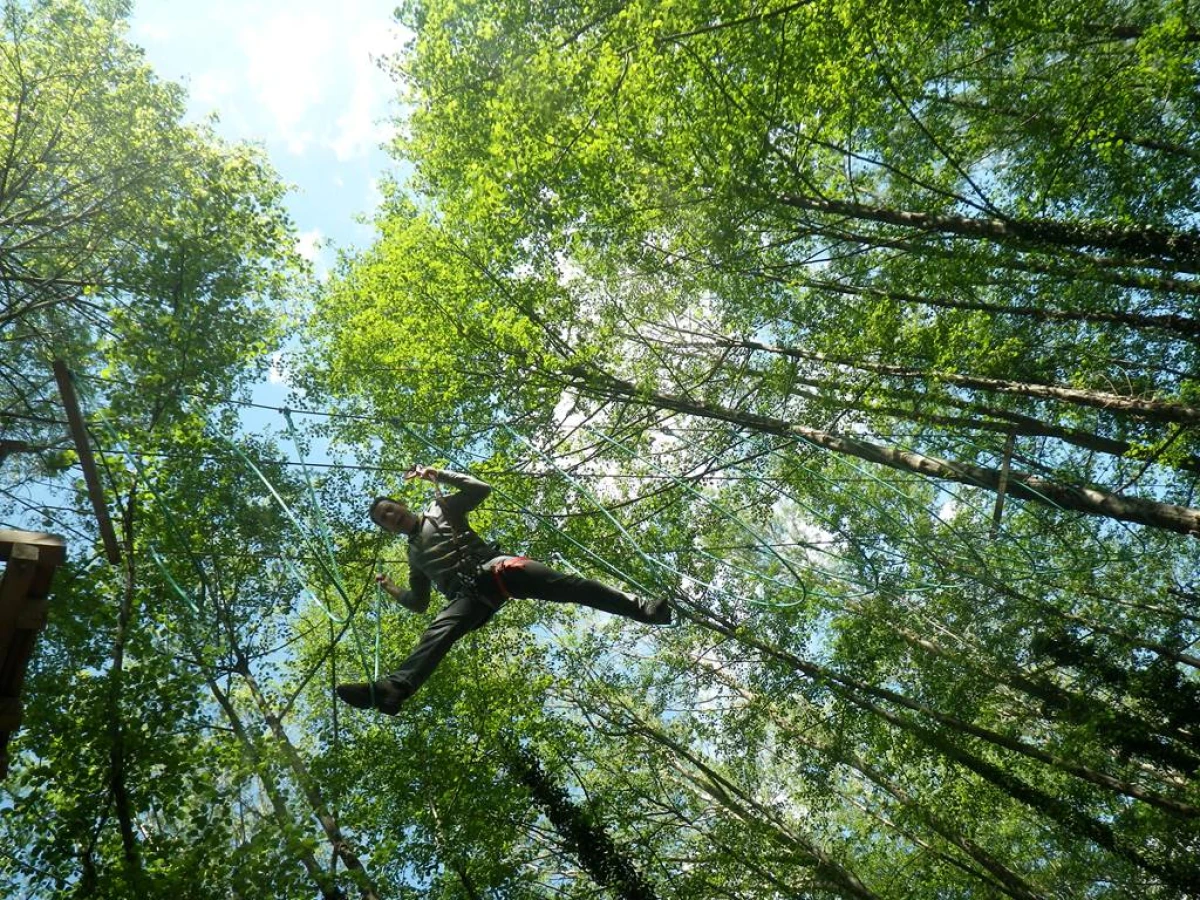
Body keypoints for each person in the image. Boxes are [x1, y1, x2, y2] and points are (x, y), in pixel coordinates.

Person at [336, 464, 671, 714]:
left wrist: (438, 474)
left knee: (569, 586)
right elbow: (419, 602)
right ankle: (394, 688)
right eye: (383, 518)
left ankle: (643, 609)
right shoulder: (414, 558)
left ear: (401, 504)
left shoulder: (440, 508)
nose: (390, 516)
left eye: (389, 508)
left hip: (496, 568)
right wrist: (392, 589)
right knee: (440, 630)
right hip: (467, 597)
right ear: (387, 529)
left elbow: (480, 489)